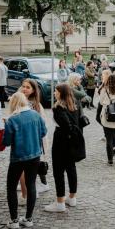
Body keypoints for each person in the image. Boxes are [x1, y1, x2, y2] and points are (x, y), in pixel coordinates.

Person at [3, 92, 47, 229]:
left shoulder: (12, 120)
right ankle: (28, 218)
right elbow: (44, 132)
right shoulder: (36, 115)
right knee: (31, 184)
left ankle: (14, 220)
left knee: (11, 187)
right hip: (34, 155)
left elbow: (7, 142)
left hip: (18, 157)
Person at [44, 84, 83, 213]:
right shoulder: (76, 103)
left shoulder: (58, 107)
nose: (54, 93)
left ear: (61, 93)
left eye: (56, 91)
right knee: (71, 169)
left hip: (61, 141)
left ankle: (60, 202)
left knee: (58, 171)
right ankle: (72, 198)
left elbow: (66, 125)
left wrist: (68, 130)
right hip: (73, 141)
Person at [20, 79, 50, 197]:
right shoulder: (22, 100)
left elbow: (42, 124)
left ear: (33, 90)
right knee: (33, 163)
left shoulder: (35, 105)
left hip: (34, 139)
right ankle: (33, 185)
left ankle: (34, 187)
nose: (25, 89)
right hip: (25, 138)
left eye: (28, 87)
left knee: (34, 163)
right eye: (23, 86)